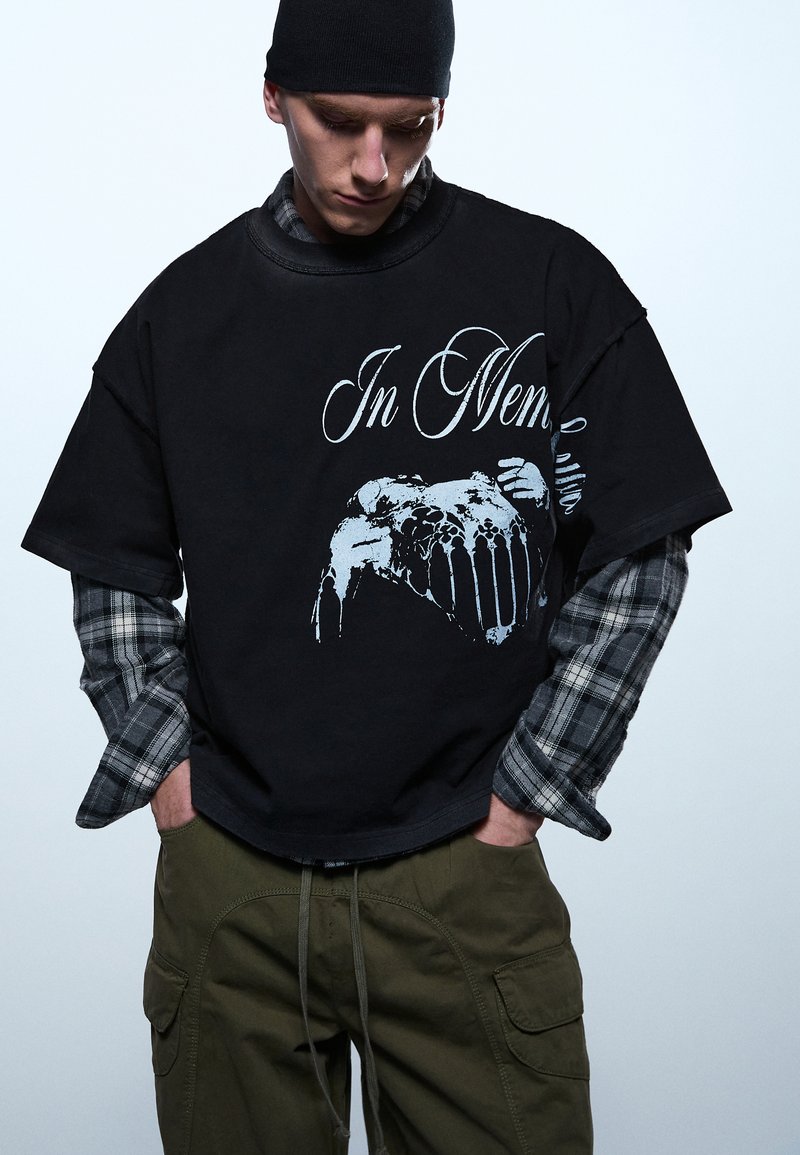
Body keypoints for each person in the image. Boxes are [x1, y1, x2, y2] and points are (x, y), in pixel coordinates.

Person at [21, 1, 731, 1152]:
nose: (372, 164)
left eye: (408, 125)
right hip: (235, 882)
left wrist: (524, 794)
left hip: (462, 877)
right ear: (272, 97)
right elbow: (112, 569)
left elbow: (640, 552)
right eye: (338, 122)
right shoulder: (182, 313)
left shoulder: (549, 283)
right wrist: (169, 779)